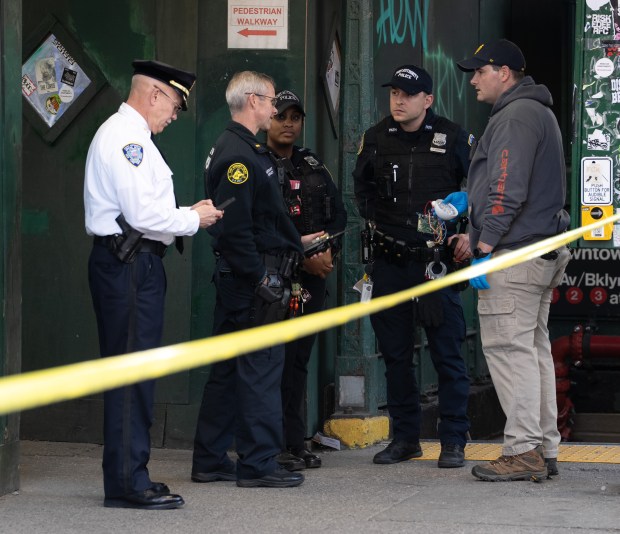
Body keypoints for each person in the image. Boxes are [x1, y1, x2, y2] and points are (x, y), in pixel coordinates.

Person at [84, 59, 224, 509]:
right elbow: (143, 216)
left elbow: (143, 210)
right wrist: (193, 218)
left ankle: (130, 472)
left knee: (136, 373)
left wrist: (184, 215)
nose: (175, 115)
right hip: (128, 266)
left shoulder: (132, 137)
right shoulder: (128, 140)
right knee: (132, 375)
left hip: (135, 265)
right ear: (156, 94)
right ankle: (127, 482)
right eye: (176, 105)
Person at [191, 72, 322, 488]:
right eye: (269, 102)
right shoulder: (239, 156)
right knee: (262, 369)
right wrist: (260, 276)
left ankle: (210, 459)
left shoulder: (240, 149)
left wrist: (291, 240)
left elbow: (254, 221)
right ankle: (258, 462)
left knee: (228, 370)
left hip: (245, 275)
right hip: (251, 282)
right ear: (252, 101)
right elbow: (235, 230)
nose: (274, 110)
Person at [453, 39, 571, 481]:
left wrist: (483, 248)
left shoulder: (515, 116)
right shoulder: (536, 112)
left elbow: (507, 188)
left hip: (515, 254)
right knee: (533, 350)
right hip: (538, 250)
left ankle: (523, 450)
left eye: (479, 71)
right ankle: (543, 447)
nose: (473, 81)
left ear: (503, 72)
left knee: (509, 351)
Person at [353, 65, 473, 468]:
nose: (399, 101)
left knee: (447, 355)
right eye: (394, 94)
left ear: (428, 99)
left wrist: (464, 232)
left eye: (408, 94)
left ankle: (454, 439)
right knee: (396, 355)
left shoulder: (454, 137)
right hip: (391, 262)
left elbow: (477, 189)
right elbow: (362, 189)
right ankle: (405, 438)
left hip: (434, 265)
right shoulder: (376, 137)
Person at [265, 90, 347, 471]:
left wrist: (324, 254)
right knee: (270, 363)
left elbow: (340, 219)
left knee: (298, 363)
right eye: (281, 116)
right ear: (268, 118)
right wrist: (303, 257)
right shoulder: (256, 162)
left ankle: (293, 443)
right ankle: (269, 445)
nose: (288, 124)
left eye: (295, 117)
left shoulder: (313, 165)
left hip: (311, 281)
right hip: (270, 280)